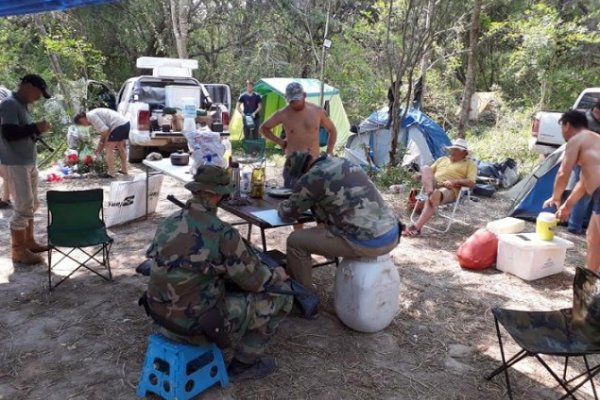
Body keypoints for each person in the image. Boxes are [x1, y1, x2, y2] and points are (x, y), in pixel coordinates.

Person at [143, 165, 293, 381]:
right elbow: (256, 281)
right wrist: (278, 274)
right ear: (217, 196)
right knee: (279, 295)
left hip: (159, 314)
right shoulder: (223, 233)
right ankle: (245, 364)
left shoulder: (169, 221)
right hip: (193, 325)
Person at [277, 151, 401, 289]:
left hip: (368, 242)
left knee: (295, 241)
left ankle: (304, 297)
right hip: (392, 232)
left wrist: (281, 204)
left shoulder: (311, 177)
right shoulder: (343, 161)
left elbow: (288, 213)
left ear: (301, 171)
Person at [0, 74, 52, 265]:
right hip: (15, 163)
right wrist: (35, 127)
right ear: (28, 86)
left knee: (32, 204)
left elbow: (22, 131)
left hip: (26, 162)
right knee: (23, 207)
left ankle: (29, 241)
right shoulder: (9, 104)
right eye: (38, 92)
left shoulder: (21, 106)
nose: (39, 97)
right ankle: (18, 251)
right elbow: (9, 133)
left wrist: (35, 130)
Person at [543, 110, 600, 272]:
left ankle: (591, 280)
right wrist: (567, 206)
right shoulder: (594, 142)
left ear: (567, 125)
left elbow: (563, 172)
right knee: (593, 238)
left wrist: (555, 197)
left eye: (562, 126)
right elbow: (583, 183)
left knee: (596, 240)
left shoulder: (576, 139)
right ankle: (590, 279)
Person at [260, 82, 337, 189]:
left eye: (297, 100)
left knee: (314, 198)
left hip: (313, 163)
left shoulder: (317, 111)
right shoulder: (283, 114)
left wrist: (329, 153)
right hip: (293, 165)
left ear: (304, 96)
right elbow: (263, 128)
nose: (294, 104)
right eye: (291, 101)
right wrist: (280, 142)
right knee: (290, 196)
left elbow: (332, 130)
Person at [403, 138, 477, 236]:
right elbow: (429, 173)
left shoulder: (469, 164)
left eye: (456, 149)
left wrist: (454, 182)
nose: (452, 151)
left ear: (464, 153)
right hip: (433, 185)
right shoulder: (442, 159)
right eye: (452, 149)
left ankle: (416, 227)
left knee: (435, 194)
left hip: (449, 189)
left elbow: (471, 182)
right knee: (425, 168)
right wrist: (420, 176)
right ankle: (429, 193)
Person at [567, 101, 600, 234]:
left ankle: (585, 222)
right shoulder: (586, 122)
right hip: (584, 162)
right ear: (597, 110)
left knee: (593, 195)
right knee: (583, 195)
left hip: (595, 165)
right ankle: (574, 225)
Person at [73, 108, 130, 178]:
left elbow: (105, 132)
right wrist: (100, 147)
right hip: (125, 123)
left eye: (81, 123)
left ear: (82, 118)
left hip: (118, 125)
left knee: (109, 148)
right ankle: (124, 169)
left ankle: (111, 172)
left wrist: (99, 148)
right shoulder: (92, 115)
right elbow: (106, 132)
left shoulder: (91, 116)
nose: (84, 125)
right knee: (120, 147)